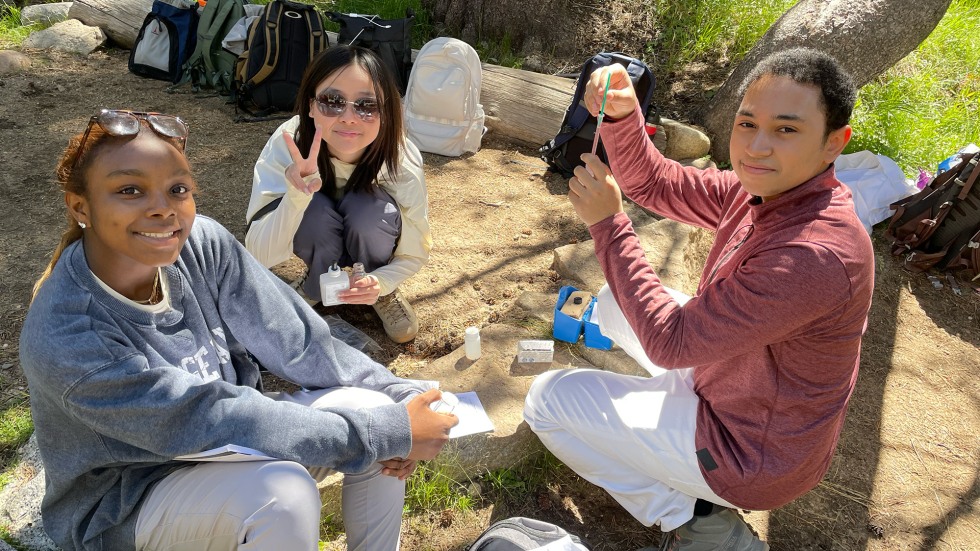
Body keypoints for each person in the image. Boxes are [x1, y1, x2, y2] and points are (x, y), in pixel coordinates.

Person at [20, 108, 458, 551]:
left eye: (178, 189)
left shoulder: (200, 245)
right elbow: (206, 416)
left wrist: (399, 399)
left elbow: (299, 340)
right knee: (282, 497)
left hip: (230, 450)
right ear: (81, 207)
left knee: (371, 405)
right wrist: (383, 433)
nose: (162, 209)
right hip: (131, 497)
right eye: (129, 190)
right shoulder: (68, 333)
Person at [523, 48, 874, 550]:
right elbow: (654, 181)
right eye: (747, 122)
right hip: (734, 386)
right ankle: (672, 439)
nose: (756, 147)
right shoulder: (765, 191)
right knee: (614, 300)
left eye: (787, 130)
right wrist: (624, 115)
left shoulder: (813, 255)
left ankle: (697, 521)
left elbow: (669, 343)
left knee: (546, 401)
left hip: (747, 450)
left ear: (833, 144)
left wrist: (608, 223)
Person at [245, 45, 429, 344]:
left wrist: (381, 282)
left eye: (367, 105)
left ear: (386, 113)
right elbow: (258, 253)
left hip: (370, 237)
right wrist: (296, 195)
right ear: (310, 105)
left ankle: (377, 289)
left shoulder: (400, 159)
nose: (348, 117)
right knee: (310, 209)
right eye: (332, 101)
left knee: (369, 211)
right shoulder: (288, 144)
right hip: (319, 230)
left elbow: (414, 251)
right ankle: (317, 281)